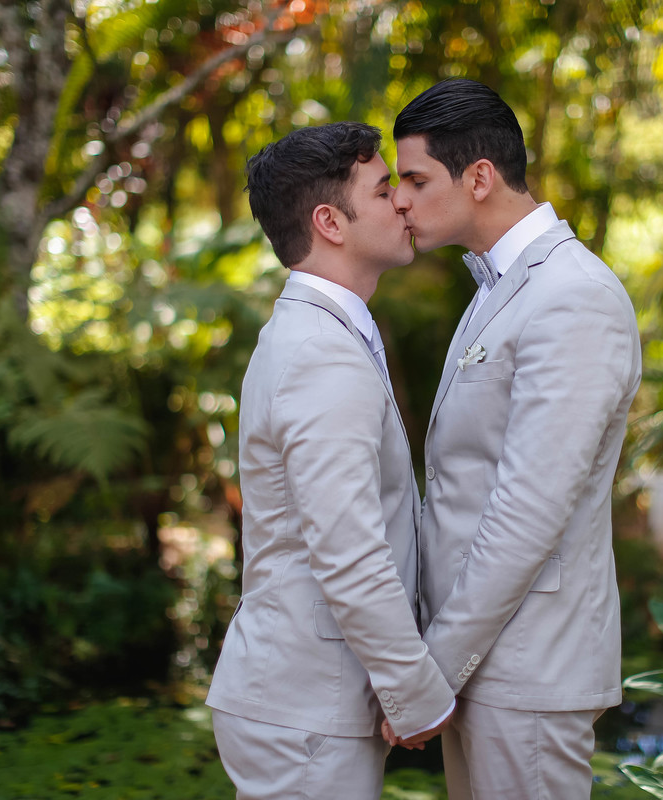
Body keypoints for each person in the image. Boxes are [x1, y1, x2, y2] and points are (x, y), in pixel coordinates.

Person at [386, 79, 643, 799]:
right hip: (485, 664)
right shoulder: (497, 288)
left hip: (529, 667)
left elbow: (529, 510)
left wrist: (435, 668)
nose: (399, 200)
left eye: (415, 180)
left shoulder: (574, 297)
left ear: (478, 178)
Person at [205, 121, 455, 800]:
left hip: (303, 700)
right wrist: (414, 692)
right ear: (330, 222)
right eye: (381, 189)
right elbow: (347, 550)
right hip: (303, 709)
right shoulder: (321, 352)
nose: (401, 201)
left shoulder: (316, 334)